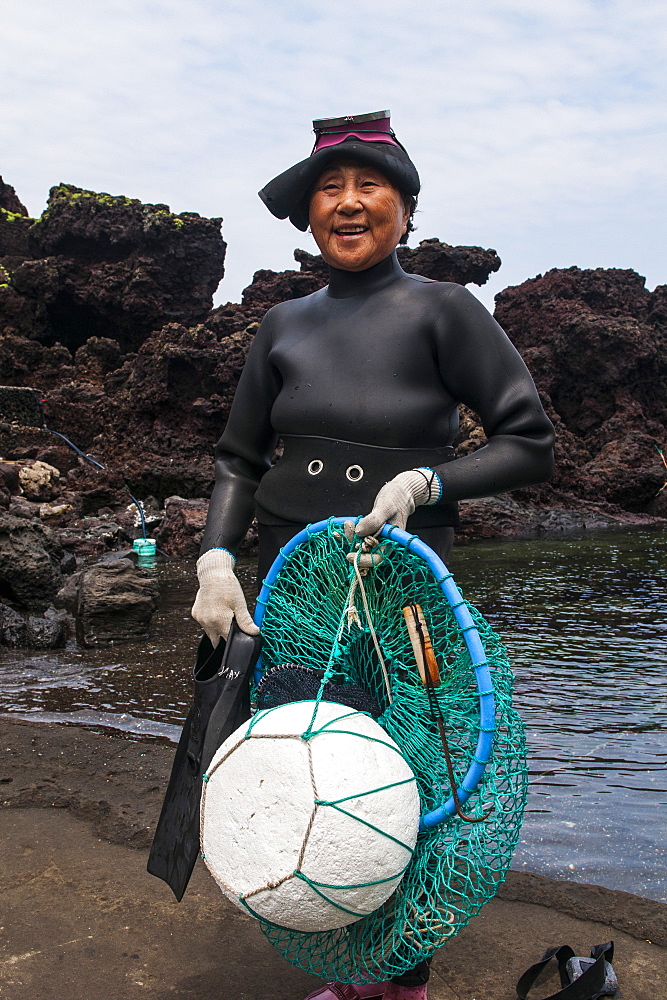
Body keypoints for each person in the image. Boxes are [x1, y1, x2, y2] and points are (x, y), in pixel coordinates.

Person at [192, 111, 555, 1000]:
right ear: (307, 216)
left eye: (368, 187)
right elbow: (239, 460)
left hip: (399, 588)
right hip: (290, 587)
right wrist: (213, 561)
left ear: (404, 207)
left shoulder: (442, 310)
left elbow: (528, 441)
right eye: (328, 189)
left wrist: (427, 486)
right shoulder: (280, 325)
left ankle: (402, 982)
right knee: (308, 772)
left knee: (406, 777)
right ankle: (345, 969)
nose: (347, 204)